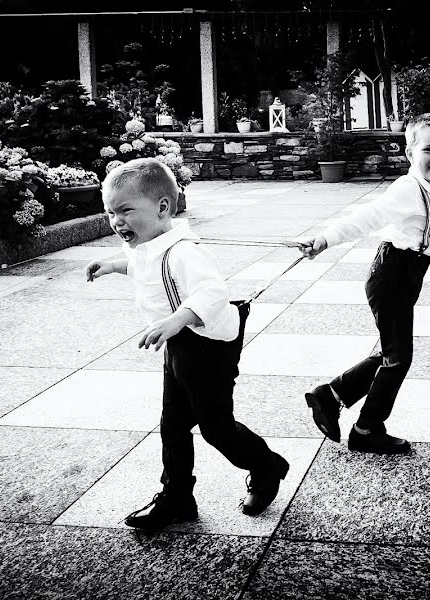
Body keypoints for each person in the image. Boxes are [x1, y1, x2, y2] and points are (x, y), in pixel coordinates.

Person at [85, 158, 289, 530]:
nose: (116, 221)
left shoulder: (184, 251)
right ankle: (177, 496)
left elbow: (213, 292)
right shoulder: (151, 243)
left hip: (208, 346)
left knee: (216, 427)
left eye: (126, 210)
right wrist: (113, 266)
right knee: (173, 425)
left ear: (163, 207)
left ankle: (266, 465)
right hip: (179, 344)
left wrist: (177, 318)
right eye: (110, 212)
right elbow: (142, 265)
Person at [297, 112, 430, 455]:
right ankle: (366, 429)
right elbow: (367, 217)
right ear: (409, 153)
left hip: (408, 275)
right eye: (429, 149)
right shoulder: (407, 189)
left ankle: (332, 394)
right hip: (392, 275)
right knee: (398, 358)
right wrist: (325, 239)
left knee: (392, 352)